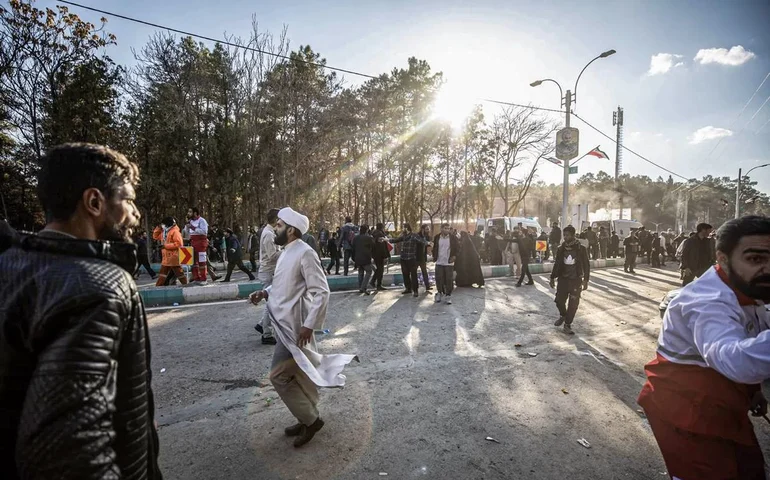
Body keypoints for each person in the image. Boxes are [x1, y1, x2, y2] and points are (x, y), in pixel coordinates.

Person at [0, 143, 161, 479]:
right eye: (128, 201)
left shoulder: (11, 264)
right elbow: (72, 453)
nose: (136, 214)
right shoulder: (100, 287)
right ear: (94, 202)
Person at [637, 216, 770, 480]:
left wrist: (753, 391)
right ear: (722, 258)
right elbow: (733, 358)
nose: (767, 268)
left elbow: (752, 332)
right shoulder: (706, 302)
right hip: (687, 414)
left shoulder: (747, 287)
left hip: (724, 404)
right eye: (755, 259)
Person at [248, 207, 357, 448]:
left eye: (278, 225)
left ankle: (311, 419)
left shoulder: (305, 253)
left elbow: (321, 291)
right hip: (284, 325)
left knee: (278, 376)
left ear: (290, 229)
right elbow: (284, 286)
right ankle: (305, 416)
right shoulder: (286, 252)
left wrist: (309, 326)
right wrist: (264, 292)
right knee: (300, 374)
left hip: (296, 329)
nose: (274, 228)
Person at [549, 225, 590, 335]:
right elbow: (557, 264)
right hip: (563, 280)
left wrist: (586, 280)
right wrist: (552, 277)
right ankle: (563, 315)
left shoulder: (581, 249)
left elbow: (586, 265)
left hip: (575, 280)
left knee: (573, 304)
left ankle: (567, 324)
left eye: (567, 235)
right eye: (564, 235)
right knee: (559, 301)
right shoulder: (560, 249)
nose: (565, 237)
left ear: (572, 235)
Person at [256, 208, 281, 345]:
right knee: (271, 303)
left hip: (269, 271)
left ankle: (261, 325)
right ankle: (266, 333)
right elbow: (272, 256)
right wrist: (288, 251)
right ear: (276, 220)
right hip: (268, 271)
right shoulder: (268, 235)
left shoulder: (270, 233)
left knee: (272, 301)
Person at [389, 223, 429, 297]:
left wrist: (428, 243)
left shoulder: (414, 235)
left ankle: (415, 290)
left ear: (407, 228)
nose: (402, 229)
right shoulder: (403, 236)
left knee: (413, 275)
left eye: (403, 228)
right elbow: (396, 240)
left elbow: (421, 241)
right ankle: (408, 288)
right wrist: (386, 240)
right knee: (405, 274)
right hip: (403, 258)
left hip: (411, 258)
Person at [153, 216, 189, 286]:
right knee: (163, 274)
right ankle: (158, 286)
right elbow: (155, 236)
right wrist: (158, 228)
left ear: (167, 224)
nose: (162, 226)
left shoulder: (175, 232)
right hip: (166, 257)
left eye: (163, 224)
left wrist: (165, 246)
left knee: (179, 273)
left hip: (173, 257)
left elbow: (179, 244)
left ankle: (186, 285)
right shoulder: (165, 232)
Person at [432, 223, 458, 304]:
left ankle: (448, 295)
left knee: (449, 280)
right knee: (438, 278)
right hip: (439, 261)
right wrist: (434, 256)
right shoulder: (437, 237)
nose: (447, 230)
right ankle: (439, 293)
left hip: (448, 263)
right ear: (441, 229)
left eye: (448, 228)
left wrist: (454, 256)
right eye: (445, 228)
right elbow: (435, 248)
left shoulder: (453, 238)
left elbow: (458, 248)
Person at [187, 207, 209, 282]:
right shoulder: (190, 221)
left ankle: (203, 278)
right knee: (193, 261)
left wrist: (193, 228)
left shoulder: (202, 220)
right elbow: (188, 233)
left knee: (201, 261)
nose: (188, 213)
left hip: (201, 243)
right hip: (192, 242)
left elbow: (204, 232)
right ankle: (196, 277)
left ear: (195, 213)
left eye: (190, 212)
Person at [352, 224, 375, 294]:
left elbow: (353, 248)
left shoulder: (355, 238)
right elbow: (373, 246)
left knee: (360, 272)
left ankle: (360, 288)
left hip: (357, 258)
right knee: (369, 271)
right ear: (366, 230)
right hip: (366, 258)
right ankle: (363, 287)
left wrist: (354, 258)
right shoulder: (368, 238)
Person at [371, 223, 391, 291]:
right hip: (380, 254)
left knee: (379, 269)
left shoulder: (374, 233)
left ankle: (373, 281)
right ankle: (378, 284)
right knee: (380, 269)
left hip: (375, 254)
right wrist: (385, 255)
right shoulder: (380, 234)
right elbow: (382, 246)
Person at [417, 224, 433, 292]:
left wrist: (429, 252)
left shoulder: (427, 236)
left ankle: (427, 286)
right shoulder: (417, 236)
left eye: (428, 229)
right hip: (416, 256)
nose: (428, 230)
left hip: (423, 257)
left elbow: (428, 245)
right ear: (422, 229)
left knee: (424, 272)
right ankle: (414, 287)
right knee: (413, 272)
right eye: (427, 229)